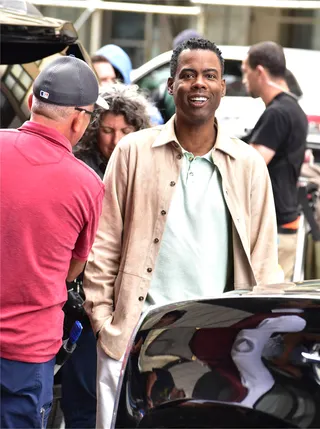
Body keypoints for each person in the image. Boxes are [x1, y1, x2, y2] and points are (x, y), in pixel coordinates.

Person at [83, 37, 279, 429]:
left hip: (219, 343)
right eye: (187, 75)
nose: (199, 84)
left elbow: (264, 262)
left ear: (224, 86)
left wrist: (257, 342)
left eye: (210, 75)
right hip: (136, 337)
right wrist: (106, 324)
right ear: (171, 86)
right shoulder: (133, 152)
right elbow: (103, 246)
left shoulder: (248, 165)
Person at [0, 55, 108, 429]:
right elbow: (72, 270)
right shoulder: (87, 185)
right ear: (80, 119)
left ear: (31, 103)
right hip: (27, 355)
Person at [60, 83, 151, 429]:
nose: (116, 140)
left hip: (130, 296)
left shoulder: (145, 166)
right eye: (109, 131)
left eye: (126, 131)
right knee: (82, 392)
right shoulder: (81, 168)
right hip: (84, 298)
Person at [241, 41, 308, 281]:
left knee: (265, 310)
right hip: (282, 225)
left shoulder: (277, 114)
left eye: (245, 71)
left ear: (259, 71)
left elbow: (249, 167)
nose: (243, 80)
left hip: (274, 230)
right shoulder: (292, 109)